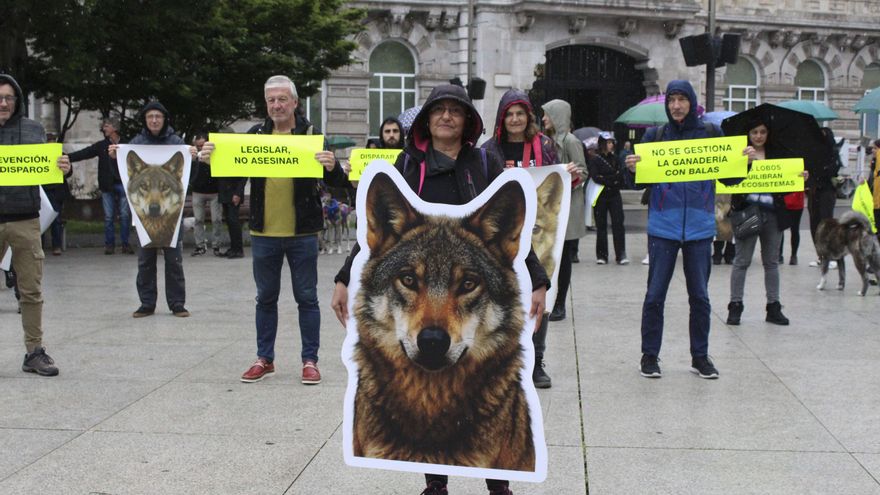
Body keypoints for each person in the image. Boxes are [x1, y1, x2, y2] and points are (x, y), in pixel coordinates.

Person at [331, 84, 548, 495]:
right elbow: (374, 234)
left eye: (456, 111)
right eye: (439, 111)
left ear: (467, 121)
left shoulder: (485, 163)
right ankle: (435, 483)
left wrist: (537, 278)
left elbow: (511, 237)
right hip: (418, 258)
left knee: (491, 410)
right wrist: (345, 275)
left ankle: (499, 483)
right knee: (423, 398)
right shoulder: (408, 165)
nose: (447, 117)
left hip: (472, 264)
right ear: (427, 120)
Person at [202, 75, 350, 385]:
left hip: (303, 232)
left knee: (307, 298)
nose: (276, 105)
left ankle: (310, 361)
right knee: (265, 298)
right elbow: (233, 169)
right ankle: (264, 358)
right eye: (271, 100)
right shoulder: (256, 134)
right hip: (264, 232)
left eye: (282, 99)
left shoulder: (312, 136)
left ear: (295, 103)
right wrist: (209, 159)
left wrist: (333, 167)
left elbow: (338, 186)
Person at [625, 80, 755, 379]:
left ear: (691, 102)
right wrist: (630, 168)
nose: (676, 106)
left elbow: (732, 180)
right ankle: (649, 355)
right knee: (655, 295)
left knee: (700, 297)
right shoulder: (655, 136)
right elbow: (640, 182)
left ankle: (700, 356)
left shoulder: (711, 134)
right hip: (662, 227)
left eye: (682, 99)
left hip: (698, 227)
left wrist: (744, 164)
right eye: (672, 100)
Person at [481, 88, 561, 389]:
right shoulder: (489, 151)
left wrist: (569, 175)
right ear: (502, 118)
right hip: (501, 238)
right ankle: (501, 358)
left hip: (538, 236)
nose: (515, 119)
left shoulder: (547, 147)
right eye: (509, 114)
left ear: (529, 116)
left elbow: (560, 186)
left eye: (520, 113)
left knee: (539, 297)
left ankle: (536, 361)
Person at [0, 73, 72, 376]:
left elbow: (46, 170)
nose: (3, 103)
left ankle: (34, 352)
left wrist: (63, 169)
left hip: (25, 219)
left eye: (8, 98)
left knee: (30, 290)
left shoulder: (33, 129)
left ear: (17, 100)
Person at [109, 101, 197, 319]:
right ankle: (146, 303)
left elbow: (188, 177)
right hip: (143, 217)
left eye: (158, 116)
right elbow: (124, 173)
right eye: (150, 117)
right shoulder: (137, 143)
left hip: (171, 217)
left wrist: (192, 158)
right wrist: (116, 157)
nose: (154, 120)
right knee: (145, 260)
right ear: (145, 120)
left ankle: (177, 303)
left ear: (164, 119)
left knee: (173, 260)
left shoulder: (176, 143)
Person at [726, 118, 803, 327]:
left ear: (768, 134)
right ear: (748, 135)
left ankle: (773, 306)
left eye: (762, 132)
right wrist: (746, 164)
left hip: (772, 214)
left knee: (771, 262)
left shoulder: (777, 154)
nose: (758, 136)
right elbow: (728, 180)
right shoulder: (740, 154)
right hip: (748, 212)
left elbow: (784, 184)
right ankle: (735, 305)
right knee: (742, 261)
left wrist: (798, 177)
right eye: (754, 132)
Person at [542, 99, 587, 322]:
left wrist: (566, 180)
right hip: (552, 208)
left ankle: (560, 303)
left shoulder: (571, 141)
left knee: (565, 258)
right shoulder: (546, 141)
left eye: (547, 115)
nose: (543, 119)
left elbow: (583, 172)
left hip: (568, 207)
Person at [67, 116, 132, 255]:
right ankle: (110, 245)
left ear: (114, 128)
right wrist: (67, 157)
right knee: (108, 217)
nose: (104, 128)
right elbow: (85, 153)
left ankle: (126, 244)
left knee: (125, 216)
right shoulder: (102, 145)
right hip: (107, 185)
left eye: (107, 126)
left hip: (123, 185)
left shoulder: (126, 145)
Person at [588, 131, 629, 265]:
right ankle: (602, 255)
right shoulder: (595, 159)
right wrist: (611, 179)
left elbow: (620, 175)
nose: (610, 145)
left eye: (612, 142)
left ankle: (621, 254)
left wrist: (608, 179)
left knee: (618, 224)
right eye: (608, 142)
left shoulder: (616, 158)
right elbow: (595, 177)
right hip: (601, 196)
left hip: (615, 195)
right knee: (601, 226)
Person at [807, 127, 840, 267]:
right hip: (814, 192)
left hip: (826, 192)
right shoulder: (813, 153)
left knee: (826, 223)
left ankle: (831, 256)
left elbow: (831, 171)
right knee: (814, 224)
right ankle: (821, 256)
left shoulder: (832, 154)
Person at [189, 133, 223, 257]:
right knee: (198, 220)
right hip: (198, 190)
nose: (200, 148)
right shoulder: (193, 155)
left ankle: (216, 245)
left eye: (202, 145)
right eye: (198, 146)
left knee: (217, 220)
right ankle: (199, 245)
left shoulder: (214, 154)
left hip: (214, 191)